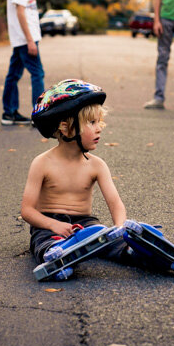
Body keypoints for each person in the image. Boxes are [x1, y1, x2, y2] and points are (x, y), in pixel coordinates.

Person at [21, 79, 132, 273]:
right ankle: (56, 256)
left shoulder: (96, 165)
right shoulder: (42, 163)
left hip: (85, 224)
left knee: (107, 239)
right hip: (49, 223)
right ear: (65, 127)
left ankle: (137, 252)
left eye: (99, 122)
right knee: (44, 241)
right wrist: (53, 225)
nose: (99, 128)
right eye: (91, 122)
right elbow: (27, 211)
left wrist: (120, 227)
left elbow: (115, 203)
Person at [1, 0, 45, 126]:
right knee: (37, 73)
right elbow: (20, 12)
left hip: (21, 38)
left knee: (13, 74)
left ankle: (9, 113)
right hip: (25, 38)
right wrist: (29, 40)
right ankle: (39, 116)